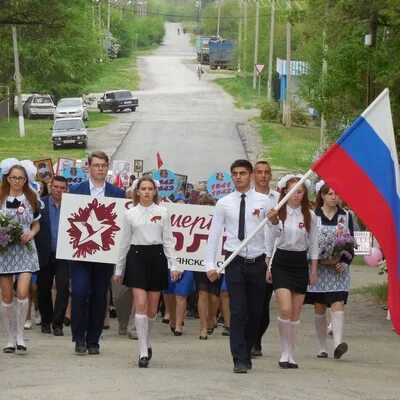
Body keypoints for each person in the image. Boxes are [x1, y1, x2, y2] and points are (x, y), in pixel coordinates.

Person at [205, 159, 274, 374]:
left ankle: (248, 349)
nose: (238, 177)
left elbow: (276, 233)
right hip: (234, 261)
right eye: (234, 173)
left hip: (257, 262)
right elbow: (214, 234)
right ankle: (239, 358)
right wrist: (210, 265)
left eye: (242, 173)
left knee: (255, 311)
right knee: (238, 311)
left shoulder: (265, 201)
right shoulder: (224, 203)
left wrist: (274, 221)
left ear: (251, 175)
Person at [114, 176, 181, 368]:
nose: (146, 192)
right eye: (143, 188)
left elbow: (168, 240)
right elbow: (124, 243)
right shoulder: (130, 214)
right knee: (140, 303)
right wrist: (119, 269)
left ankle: (147, 339)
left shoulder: (163, 212)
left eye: (150, 189)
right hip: (136, 257)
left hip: (157, 257)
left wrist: (174, 265)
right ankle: (143, 349)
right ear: (137, 191)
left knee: (152, 309)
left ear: (155, 191)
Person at [69, 151, 125, 355]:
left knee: (100, 297)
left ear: (107, 167)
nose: (100, 169)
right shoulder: (76, 190)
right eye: (96, 165)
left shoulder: (117, 193)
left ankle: (93, 339)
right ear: (89, 167)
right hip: (80, 254)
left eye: (103, 165)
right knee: (80, 292)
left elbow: (120, 225)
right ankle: (79, 337)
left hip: (104, 254)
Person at [266, 174, 318, 369]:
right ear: (285, 192)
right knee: (285, 309)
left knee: (296, 313)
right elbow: (271, 240)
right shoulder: (277, 212)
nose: (296, 195)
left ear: (304, 193)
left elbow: (313, 245)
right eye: (292, 191)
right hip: (281, 261)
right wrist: (268, 265)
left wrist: (313, 270)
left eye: (300, 191)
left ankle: (291, 352)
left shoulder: (310, 215)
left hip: (299, 263)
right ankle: (283, 350)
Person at [305, 181, 354, 360]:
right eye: (330, 194)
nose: (334, 197)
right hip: (318, 269)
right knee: (319, 307)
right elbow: (307, 242)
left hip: (337, 270)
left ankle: (338, 344)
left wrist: (345, 261)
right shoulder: (313, 215)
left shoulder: (346, 216)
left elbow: (351, 243)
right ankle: (322, 346)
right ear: (322, 196)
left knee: (338, 302)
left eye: (337, 194)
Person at [0, 158, 41, 354]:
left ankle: (21, 337)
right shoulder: (0, 199)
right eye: (13, 178)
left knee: (23, 292)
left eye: (21, 178)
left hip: (25, 250)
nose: (17, 181)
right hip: (5, 251)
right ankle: (9, 337)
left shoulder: (32, 198)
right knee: (7, 296)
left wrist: (31, 233)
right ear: (7, 178)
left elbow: (36, 223)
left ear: (26, 180)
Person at [35, 175, 69, 336]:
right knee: (43, 289)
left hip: (64, 254)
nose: (59, 190)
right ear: (50, 186)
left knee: (62, 288)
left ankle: (58, 323)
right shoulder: (39, 203)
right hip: (44, 252)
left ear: (66, 189)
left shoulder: (71, 205)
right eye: (56, 187)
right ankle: (46, 321)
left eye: (62, 188)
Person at [252, 161, 279, 357]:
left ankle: (256, 340)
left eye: (266, 172)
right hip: (248, 255)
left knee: (262, 304)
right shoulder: (246, 198)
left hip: (269, 258)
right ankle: (248, 339)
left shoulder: (278, 199)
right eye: (259, 172)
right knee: (246, 303)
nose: (263, 175)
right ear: (254, 175)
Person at [193, 193, 223, 340]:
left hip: (217, 261)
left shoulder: (220, 220)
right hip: (199, 261)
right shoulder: (195, 219)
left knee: (214, 297)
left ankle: (211, 318)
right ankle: (203, 327)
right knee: (203, 293)